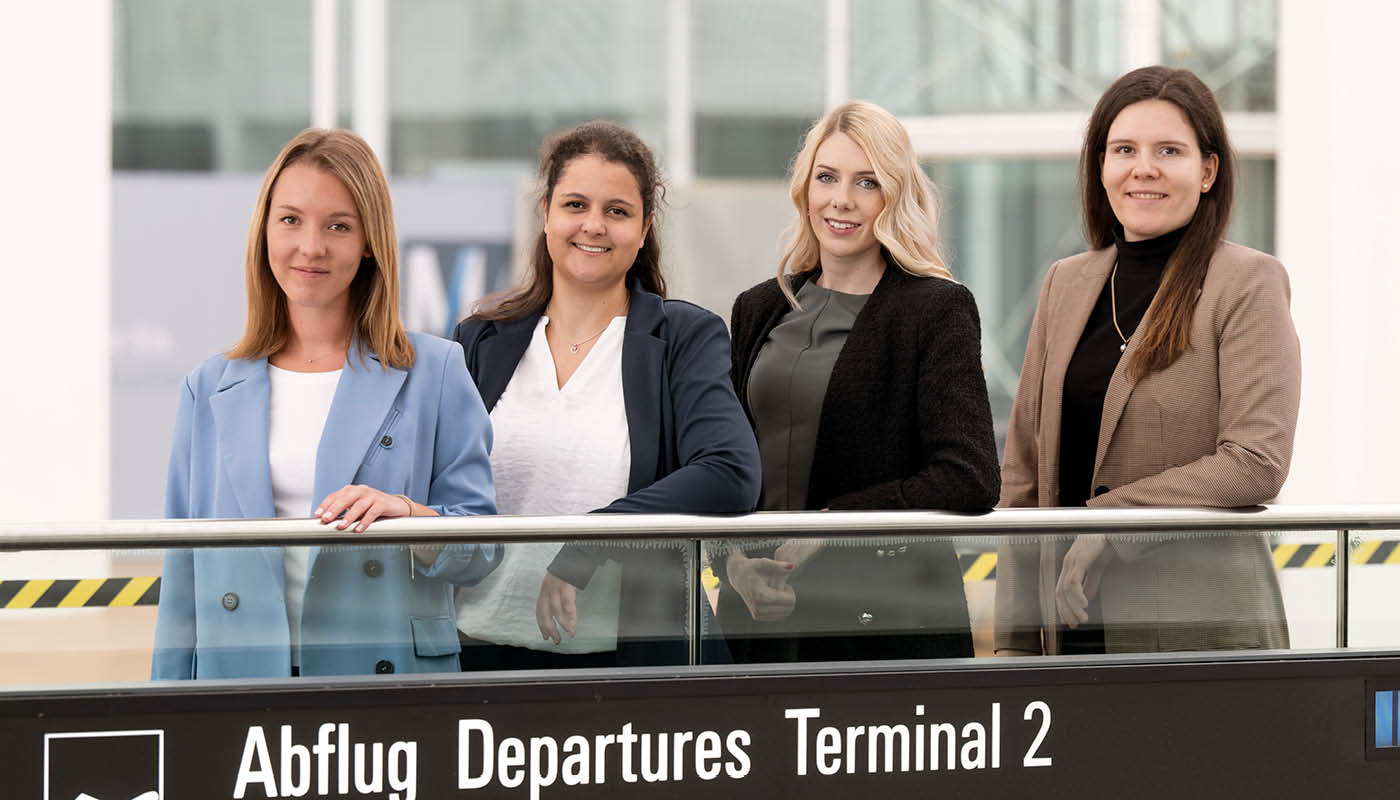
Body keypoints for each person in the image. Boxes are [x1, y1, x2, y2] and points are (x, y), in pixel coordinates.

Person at [152, 128, 499, 680]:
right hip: (238, 684)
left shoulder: (434, 372)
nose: (310, 247)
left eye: (338, 226)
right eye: (290, 220)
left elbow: (482, 551)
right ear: (264, 229)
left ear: (369, 242)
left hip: (382, 687)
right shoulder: (208, 388)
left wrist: (408, 516)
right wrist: (168, 710)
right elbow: (183, 579)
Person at [994, 66, 1301, 656]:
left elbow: (1257, 461)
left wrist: (1111, 525)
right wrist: (1012, 641)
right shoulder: (1066, 283)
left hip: (1197, 638)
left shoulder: (1247, 282)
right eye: (1124, 149)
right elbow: (1024, 475)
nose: (1144, 168)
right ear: (1100, 167)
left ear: (1207, 171)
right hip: (1068, 630)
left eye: (1169, 150)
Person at [452, 121, 761, 668]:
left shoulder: (683, 338)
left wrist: (587, 547)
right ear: (545, 212)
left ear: (643, 230)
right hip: (477, 653)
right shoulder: (481, 340)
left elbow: (730, 470)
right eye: (575, 205)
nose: (593, 225)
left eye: (617, 211)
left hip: (629, 668)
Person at [714, 100, 1000, 663]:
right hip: (753, 607)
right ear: (805, 188)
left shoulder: (935, 309)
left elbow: (969, 476)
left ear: (893, 196)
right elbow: (729, 461)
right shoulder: (758, 307)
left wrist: (830, 526)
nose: (840, 199)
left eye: (866, 182)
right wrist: (733, 562)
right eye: (827, 177)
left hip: (880, 614)